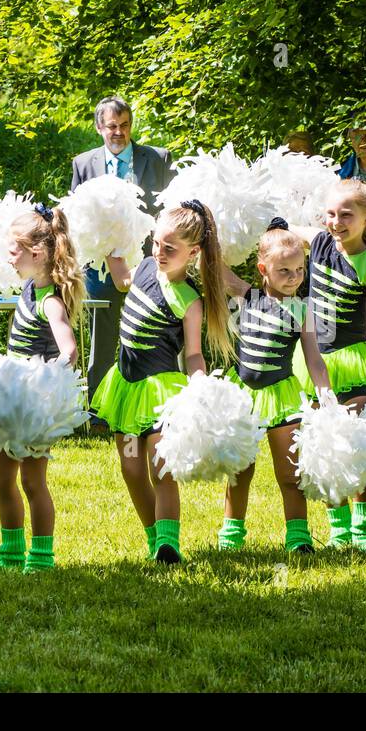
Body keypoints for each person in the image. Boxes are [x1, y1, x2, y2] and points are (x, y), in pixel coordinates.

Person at [91, 200, 231, 564]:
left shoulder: (190, 300)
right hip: (126, 384)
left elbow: (195, 354)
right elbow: (122, 278)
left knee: (161, 464)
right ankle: (155, 539)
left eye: (170, 248)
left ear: (193, 252)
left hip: (162, 389)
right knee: (131, 469)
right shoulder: (147, 268)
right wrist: (107, 236)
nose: (160, 252)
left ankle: (169, 543)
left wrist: (199, 387)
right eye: (156, 243)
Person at [217, 219, 331, 553]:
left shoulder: (303, 308)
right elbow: (216, 269)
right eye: (284, 271)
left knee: (290, 471)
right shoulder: (248, 296)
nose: (294, 277)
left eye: (299, 270)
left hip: (282, 394)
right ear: (263, 269)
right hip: (244, 398)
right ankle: (231, 533)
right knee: (240, 470)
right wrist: (210, 235)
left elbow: (314, 360)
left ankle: (298, 535)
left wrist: (326, 398)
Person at [290, 180, 366, 551]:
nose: (336, 221)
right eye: (330, 214)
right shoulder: (317, 243)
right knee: (326, 444)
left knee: (357, 445)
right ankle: (339, 527)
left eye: (346, 214)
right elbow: (283, 229)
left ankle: (364, 528)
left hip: (353, 361)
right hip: (315, 361)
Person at [0, 204, 85, 574]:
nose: (9, 257)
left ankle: (41, 556)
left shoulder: (50, 302)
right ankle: (11, 550)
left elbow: (70, 350)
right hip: (11, 399)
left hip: (32, 405)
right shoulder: (29, 287)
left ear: (36, 254)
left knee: (31, 479)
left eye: (14, 250)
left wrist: (43, 388)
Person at [70, 96, 176, 418]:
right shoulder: (83, 163)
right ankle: (99, 412)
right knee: (102, 340)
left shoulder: (157, 158)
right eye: (112, 126)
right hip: (100, 268)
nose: (119, 132)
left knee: (147, 333)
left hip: (148, 263)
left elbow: (171, 209)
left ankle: (149, 406)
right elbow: (76, 217)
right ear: (99, 127)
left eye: (125, 125)